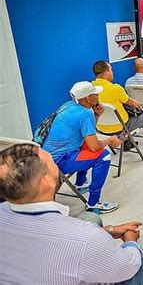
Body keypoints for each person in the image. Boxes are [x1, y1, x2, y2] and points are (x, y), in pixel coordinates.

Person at [0, 143, 143, 284]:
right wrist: (131, 241)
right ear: (45, 181)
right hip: (112, 266)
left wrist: (107, 230)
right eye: (52, 162)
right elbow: (128, 266)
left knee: (92, 217)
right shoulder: (85, 238)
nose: (56, 163)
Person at [42, 81, 120, 213]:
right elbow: (95, 146)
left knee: (86, 145)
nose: (98, 95)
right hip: (57, 162)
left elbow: (87, 135)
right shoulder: (84, 113)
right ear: (87, 98)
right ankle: (93, 204)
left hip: (45, 157)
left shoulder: (68, 106)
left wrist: (96, 115)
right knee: (104, 156)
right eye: (95, 93)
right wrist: (110, 140)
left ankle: (80, 183)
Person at [92, 61, 143, 150]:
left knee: (123, 112)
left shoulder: (91, 88)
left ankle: (128, 143)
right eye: (111, 70)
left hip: (100, 128)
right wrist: (139, 104)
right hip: (120, 128)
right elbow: (131, 103)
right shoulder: (116, 88)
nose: (112, 72)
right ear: (106, 73)